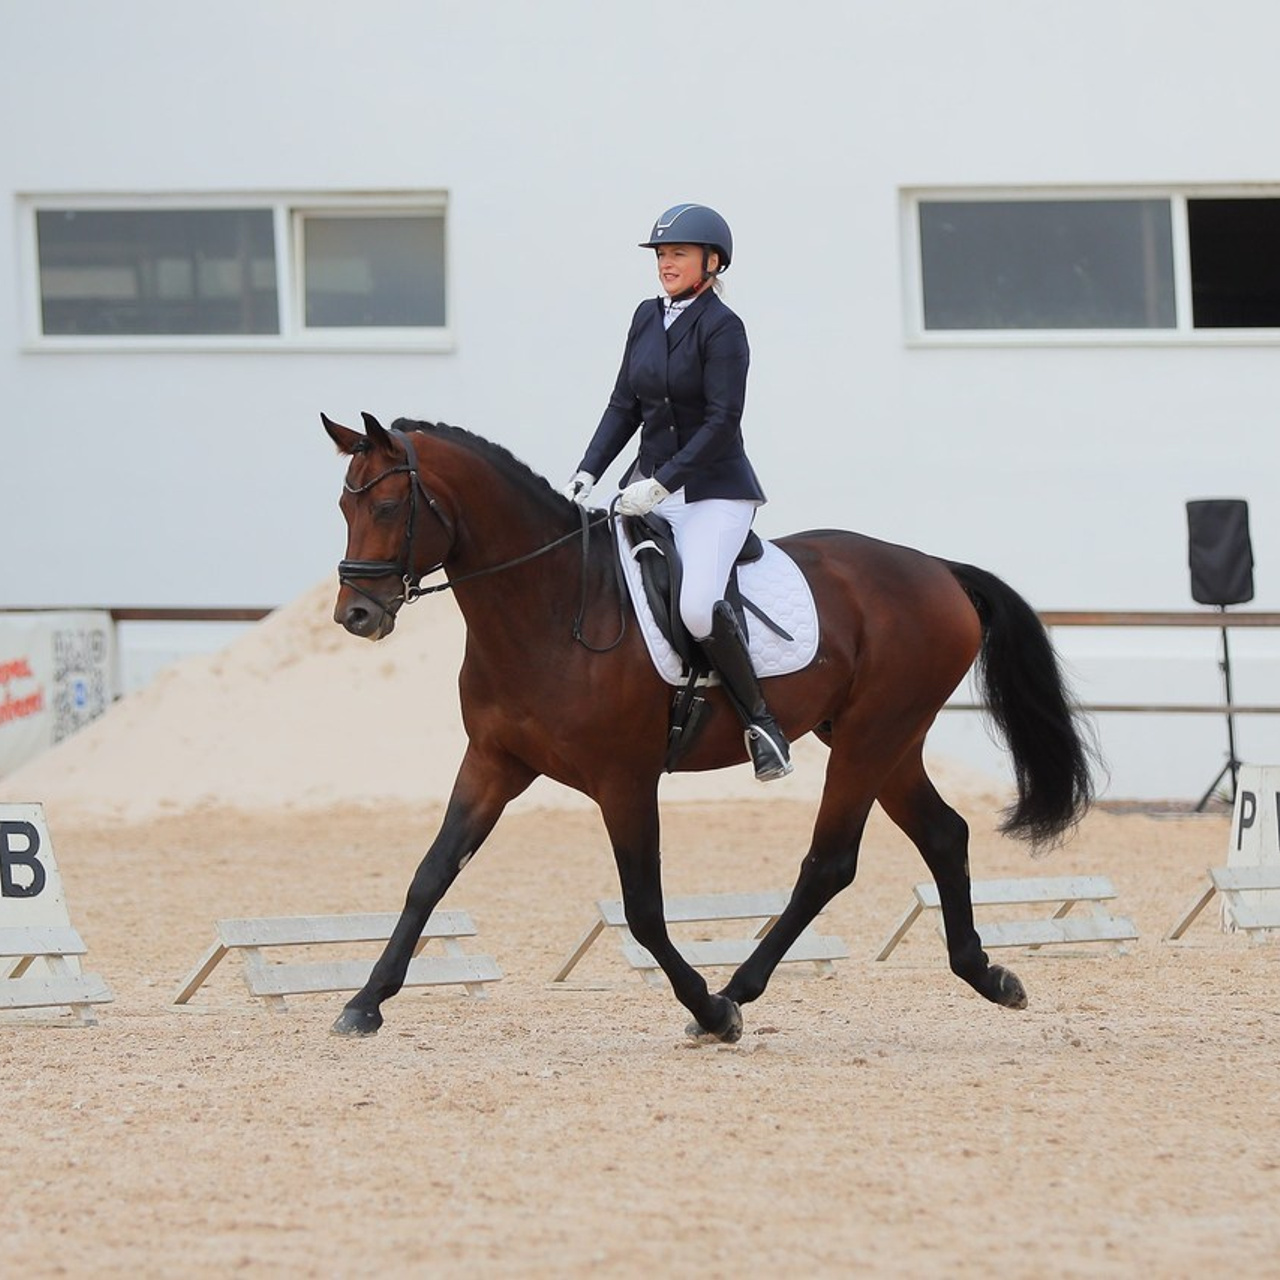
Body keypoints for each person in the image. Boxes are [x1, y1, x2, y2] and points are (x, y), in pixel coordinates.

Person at [561, 202, 792, 781]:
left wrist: (663, 482)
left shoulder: (723, 327)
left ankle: (761, 722)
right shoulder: (645, 316)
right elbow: (624, 404)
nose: (665, 263)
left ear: (711, 262)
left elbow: (722, 420)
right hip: (649, 487)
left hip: (714, 491)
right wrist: (588, 470)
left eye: (678, 254)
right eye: (661, 254)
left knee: (694, 604)